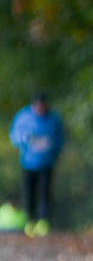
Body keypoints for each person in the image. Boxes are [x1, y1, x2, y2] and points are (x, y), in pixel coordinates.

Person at [8, 92, 64, 237]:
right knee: (28, 193)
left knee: (45, 192)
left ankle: (43, 221)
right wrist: (25, 140)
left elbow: (59, 138)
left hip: (46, 162)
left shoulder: (53, 119)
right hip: (28, 162)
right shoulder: (24, 117)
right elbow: (15, 135)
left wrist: (53, 151)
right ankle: (29, 221)